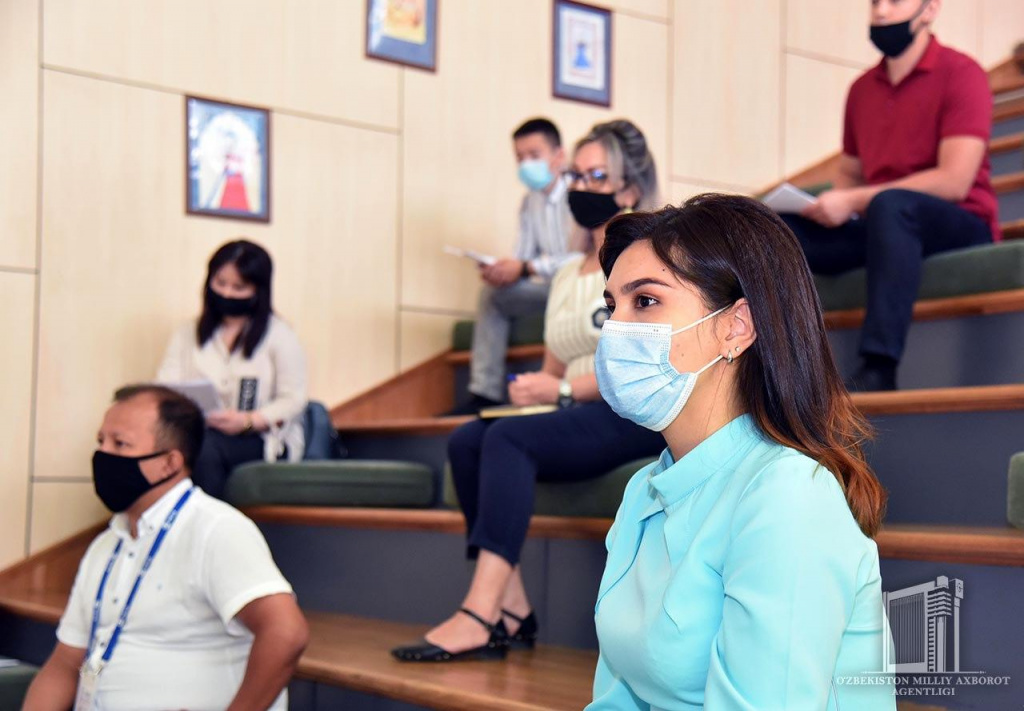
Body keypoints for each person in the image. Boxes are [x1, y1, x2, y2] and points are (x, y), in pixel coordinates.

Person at [586, 194, 894, 710]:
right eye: (610, 305)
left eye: (645, 301)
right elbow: (618, 697)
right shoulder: (644, 489)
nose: (615, 329)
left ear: (737, 326)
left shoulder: (789, 496)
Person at [392, 119, 665, 663]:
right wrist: (536, 394)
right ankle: (512, 606)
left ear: (630, 189)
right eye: (578, 177)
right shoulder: (566, 274)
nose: (584, 189)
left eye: (599, 176)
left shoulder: (647, 262)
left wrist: (562, 389)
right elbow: (552, 363)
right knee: (469, 440)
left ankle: (478, 612)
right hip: (572, 405)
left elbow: (649, 363)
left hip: (625, 410)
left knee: (508, 443)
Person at [23, 385, 308, 711]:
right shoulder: (106, 544)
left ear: (170, 462)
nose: (103, 455)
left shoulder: (215, 529)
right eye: (101, 441)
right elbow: (64, 664)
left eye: (120, 443)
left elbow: (286, 633)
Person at [781, 0, 999, 392]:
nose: (880, 12)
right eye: (875, 3)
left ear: (930, 10)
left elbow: (955, 181)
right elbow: (849, 173)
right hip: (883, 225)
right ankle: (779, 376)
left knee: (890, 206)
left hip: (958, 222)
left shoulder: (963, 74)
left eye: (895, 1)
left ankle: (879, 367)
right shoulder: (862, 89)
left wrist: (854, 200)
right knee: (778, 230)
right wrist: (831, 205)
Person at [157, 239, 308, 499]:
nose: (226, 293)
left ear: (258, 290)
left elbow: (293, 399)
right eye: (220, 283)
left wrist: (247, 421)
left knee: (206, 449)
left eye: (239, 287)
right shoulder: (187, 333)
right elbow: (164, 386)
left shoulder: (279, 335)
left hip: (261, 439)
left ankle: (208, 533)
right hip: (197, 431)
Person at [451, 117, 577, 415]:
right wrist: (501, 271)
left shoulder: (580, 194)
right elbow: (522, 256)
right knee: (492, 296)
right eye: (520, 158)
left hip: (576, 288)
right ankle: (485, 391)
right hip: (546, 289)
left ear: (559, 155)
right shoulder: (529, 202)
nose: (525, 164)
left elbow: (581, 260)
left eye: (534, 155)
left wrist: (524, 268)